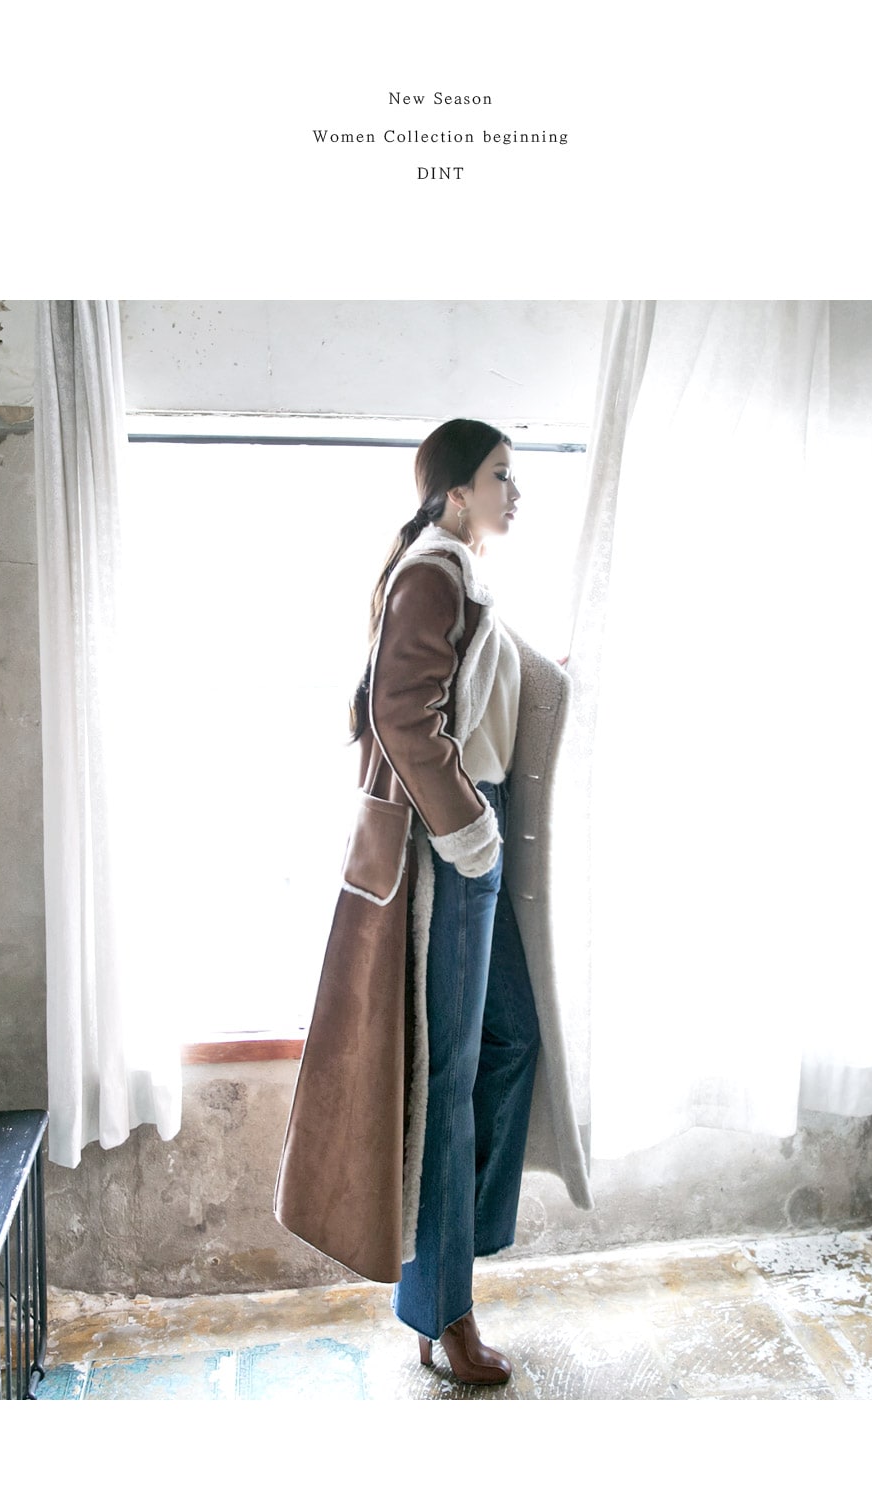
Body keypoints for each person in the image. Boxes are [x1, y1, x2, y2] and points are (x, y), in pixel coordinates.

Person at [274, 417, 593, 1387]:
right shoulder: (435, 571)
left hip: (472, 832)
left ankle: (442, 1272)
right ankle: (447, 1310)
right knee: (447, 1085)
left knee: (511, 1038)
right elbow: (400, 714)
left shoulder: (456, 571)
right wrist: (469, 829)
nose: (514, 492)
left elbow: (460, 692)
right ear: (456, 489)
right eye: (501, 475)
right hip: (454, 843)